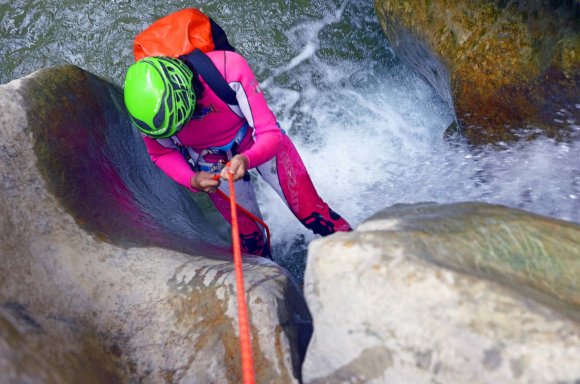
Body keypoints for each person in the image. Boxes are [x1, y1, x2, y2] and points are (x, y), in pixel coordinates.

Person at [123, 51, 352, 258]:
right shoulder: (151, 120)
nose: (184, 128)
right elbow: (162, 153)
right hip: (210, 160)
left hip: (253, 139)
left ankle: (366, 258)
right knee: (252, 243)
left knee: (315, 216)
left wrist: (246, 158)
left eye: (185, 121)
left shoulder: (227, 69)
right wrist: (191, 179)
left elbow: (271, 135)